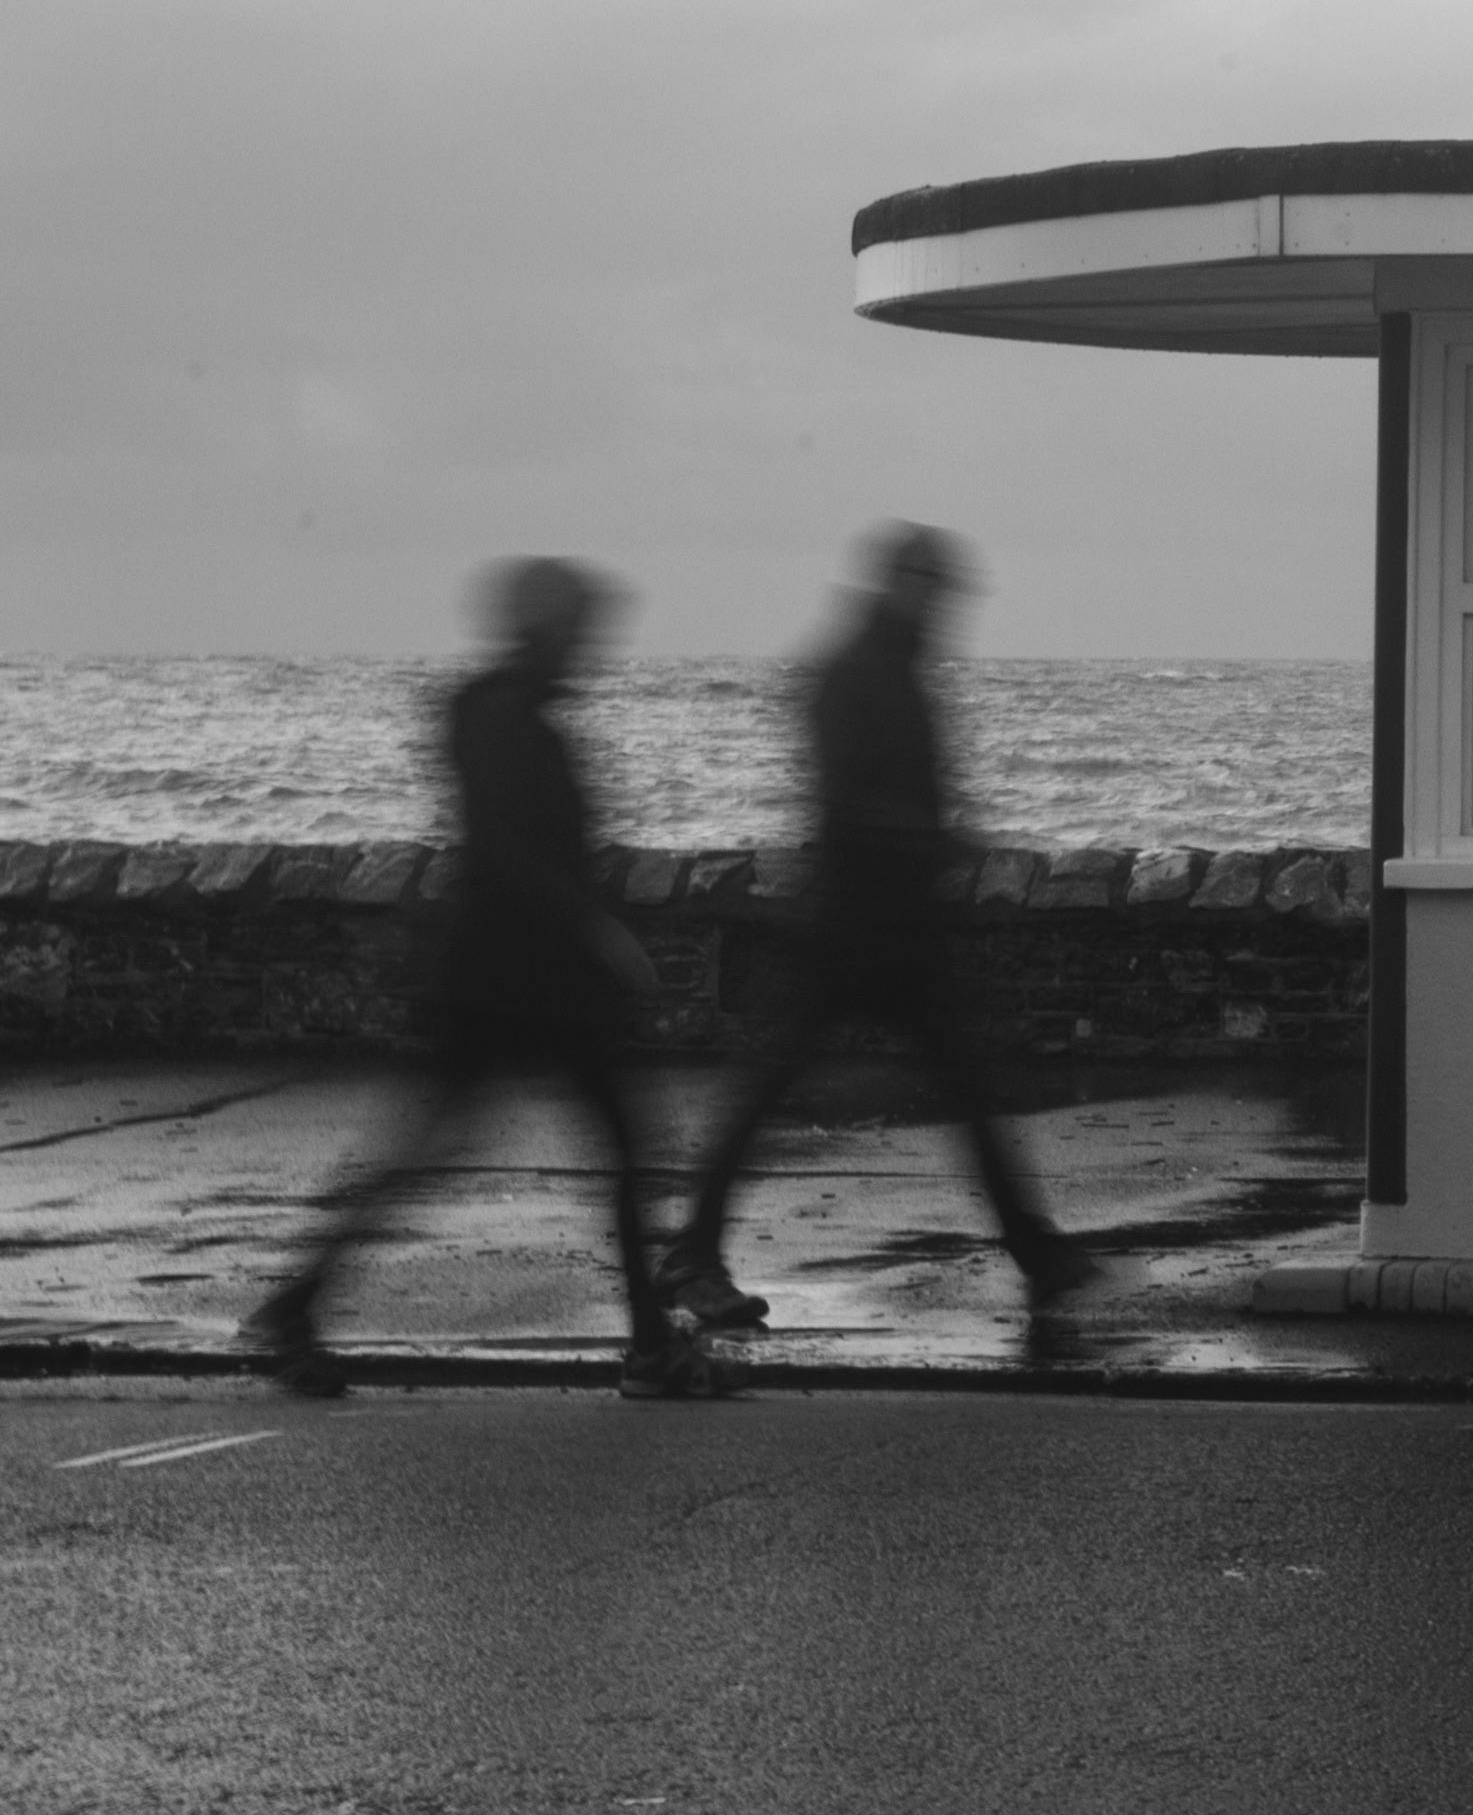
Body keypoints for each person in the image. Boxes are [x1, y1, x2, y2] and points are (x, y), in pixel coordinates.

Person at [246, 558, 729, 1400]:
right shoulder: (506, 721)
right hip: (517, 981)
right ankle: (651, 1350)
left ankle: (297, 1305)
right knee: (601, 1153)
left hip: (514, 979)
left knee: (452, 1151)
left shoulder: (504, 715)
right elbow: (509, 854)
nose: (589, 645)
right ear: (543, 630)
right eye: (578, 628)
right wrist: (598, 929)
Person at [664, 524, 1095, 1355]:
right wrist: (941, 842)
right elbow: (844, 800)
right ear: (899, 583)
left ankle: (1037, 1254)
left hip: (898, 929)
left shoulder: (894, 667)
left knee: (962, 1088)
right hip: (846, 927)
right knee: (766, 1095)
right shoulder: (855, 672)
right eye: (931, 586)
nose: (943, 605)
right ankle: (690, 1255)